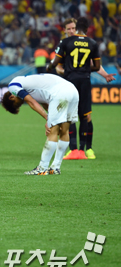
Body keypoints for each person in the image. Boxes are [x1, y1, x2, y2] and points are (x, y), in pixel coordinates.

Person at [48, 17, 114, 160]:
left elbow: (93, 62)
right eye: (69, 29)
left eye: (73, 28)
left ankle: (88, 149)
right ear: (65, 30)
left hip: (78, 80)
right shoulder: (64, 44)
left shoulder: (81, 44)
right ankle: (73, 149)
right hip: (69, 83)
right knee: (69, 117)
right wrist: (68, 72)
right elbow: (58, 67)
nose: (71, 31)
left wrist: (104, 75)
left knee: (86, 116)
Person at [1, 74, 80, 175]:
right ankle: (55, 167)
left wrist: (48, 119)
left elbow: (32, 102)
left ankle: (42, 168)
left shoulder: (13, 86)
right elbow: (45, 101)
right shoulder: (27, 82)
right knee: (64, 131)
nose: (22, 102)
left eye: (18, 103)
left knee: (53, 131)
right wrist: (50, 118)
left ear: (12, 96)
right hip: (72, 90)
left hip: (59, 93)